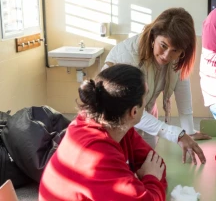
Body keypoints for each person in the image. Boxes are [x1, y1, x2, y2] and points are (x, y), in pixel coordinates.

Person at [39, 64, 167, 201]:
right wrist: (151, 178)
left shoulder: (113, 125)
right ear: (134, 112)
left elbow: (157, 165)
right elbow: (153, 179)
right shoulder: (97, 154)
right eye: (145, 96)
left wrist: (147, 180)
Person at [104, 8, 210, 165]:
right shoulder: (127, 56)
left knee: (149, 161)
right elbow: (129, 111)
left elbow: (182, 90)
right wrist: (176, 134)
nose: (167, 56)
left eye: (175, 51)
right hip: (116, 119)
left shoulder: (177, 58)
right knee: (121, 165)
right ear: (153, 36)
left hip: (145, 112)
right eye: (163, 46)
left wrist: (188, 130)